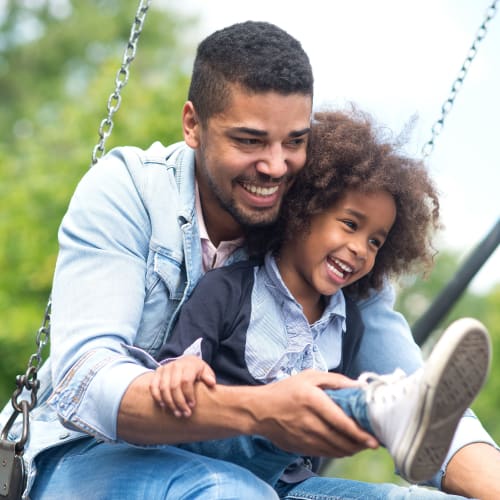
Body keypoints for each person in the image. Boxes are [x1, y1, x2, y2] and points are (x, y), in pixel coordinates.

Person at [0, 20, 498, 500]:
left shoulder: (321, 222)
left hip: (263, 477)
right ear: (193, 124)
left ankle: (366, 411)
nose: (277, 166)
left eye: (295, 142)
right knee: (229, 490)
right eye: (249, 140)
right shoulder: (129, 189)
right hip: (92, 459)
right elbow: (86, 383)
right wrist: (260, 410)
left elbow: (428, 411)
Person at [145, 109, 491, 488]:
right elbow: (176, 369)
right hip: (212, 459)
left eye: (375, 241)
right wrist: (181, 367)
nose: (361, 248)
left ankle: (394, 413)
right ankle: (387, 409)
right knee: (290, 409)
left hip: (290, 484)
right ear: (302, 209)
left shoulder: (348, 324)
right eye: (350, 224)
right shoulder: (230, 289)